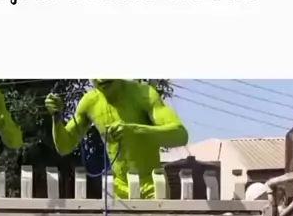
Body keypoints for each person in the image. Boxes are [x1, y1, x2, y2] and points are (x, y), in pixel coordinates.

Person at [45, 79, 188, 199]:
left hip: (152, 185)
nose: (102, 78)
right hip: (118, 187)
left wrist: (135, 130)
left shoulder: (144, 93)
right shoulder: (89, 102)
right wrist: (56, 118)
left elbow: (181, 135)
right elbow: (64, 146)